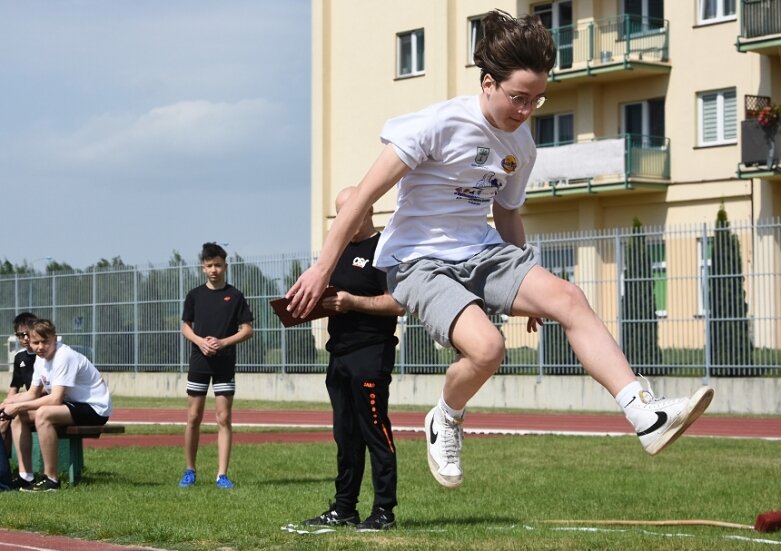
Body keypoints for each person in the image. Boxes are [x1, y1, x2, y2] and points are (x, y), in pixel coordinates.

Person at [285, 10, 714, 490]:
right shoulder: (437, 124)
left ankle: (645, 414)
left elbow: (507, 213)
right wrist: (323, 267)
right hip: (417, 261)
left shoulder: (521, 144)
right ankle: (445, 417)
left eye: (537, 99)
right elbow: (362, 197)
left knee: (568, 298)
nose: (527, 110)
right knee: (489, 349)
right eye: (518, 97)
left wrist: (529, 285)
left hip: (483, 252)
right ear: (488, 83)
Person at [303, 187, 405, 531]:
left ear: (367, 211)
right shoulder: (338, 251)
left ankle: (384, 511)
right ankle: (344, 507)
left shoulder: (386, 250)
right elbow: (332, 297)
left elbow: (398, 303)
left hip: (370, 355)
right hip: (339, 355)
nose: (340, 222)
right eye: (337, 215)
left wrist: (352, 302)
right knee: (344, 435)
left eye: (346, 213)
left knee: (375, 431)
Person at [0, 319, 112, 491]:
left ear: (54, 338)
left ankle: (51, 480)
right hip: (72, 404)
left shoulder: (64, 356)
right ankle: (25, 476)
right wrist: (7, 403)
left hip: (94, 407)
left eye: (45, 341)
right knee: (18, 416)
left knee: (43, 414)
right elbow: (32, 393)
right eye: (36, 342)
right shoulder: (40, 360)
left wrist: (18, 406)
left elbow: (55, 399)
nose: (40, 347)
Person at [179, 242, 254, 489]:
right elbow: (185, 326)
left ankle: (222, 474)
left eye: (218, 265)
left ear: (225, 266)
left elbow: (247, 330)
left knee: (223, 418)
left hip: (224, 364)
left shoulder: (235, 296)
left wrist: (223, 342)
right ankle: (190, 470)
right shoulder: (194, 295)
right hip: (199, 362)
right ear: (203, 268)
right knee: (193, 417)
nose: (214, 270)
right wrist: (200, 341)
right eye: (209, 265)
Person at [0, 312, 38, 490]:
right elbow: (14, 387)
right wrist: (4, 405)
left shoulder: (43, 354)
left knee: (11, 417)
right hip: (26, 400)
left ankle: (9, 474)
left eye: (26, 334)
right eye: (19, 335)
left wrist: (10, 405)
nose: (24, 338)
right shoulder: (20, 358)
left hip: (41, 403)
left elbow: (38, 392)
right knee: (2, 419)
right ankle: (5, 470)